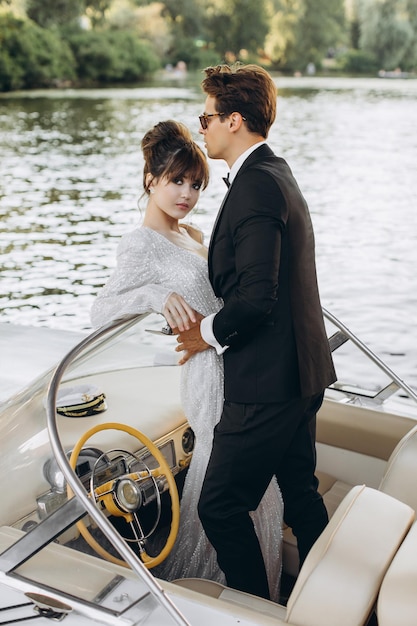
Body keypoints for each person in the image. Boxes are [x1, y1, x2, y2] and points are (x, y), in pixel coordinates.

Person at [90, 120, 284, 601]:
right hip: (207, 375)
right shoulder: (139, 245)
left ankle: (249, 600)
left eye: (196, 183)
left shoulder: (192, 231)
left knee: (259, 493)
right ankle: (208, 597)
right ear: (151, 178)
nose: (187, 193)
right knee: (232, 491)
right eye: (176, 180)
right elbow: (101, 312)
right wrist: (158, 294)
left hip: (234, 364)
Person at [175, 64, 337, 600]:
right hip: (301, 372)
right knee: (301, 494)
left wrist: (204, 333)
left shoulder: (255, 188)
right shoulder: (276, 174)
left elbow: (256, 297)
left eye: (207, 117)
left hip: (267, 383)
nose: (202, 128)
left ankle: (256, 611)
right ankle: (329, 602)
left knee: (218, 504)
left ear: (235, 120)